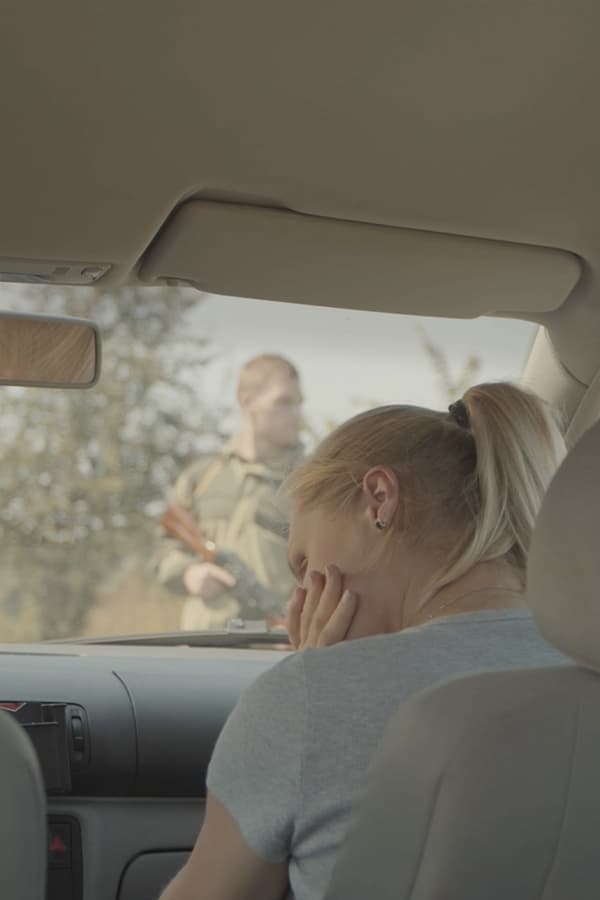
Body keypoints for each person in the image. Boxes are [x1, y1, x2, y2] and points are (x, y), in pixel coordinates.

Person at [160, 382, 568, 900]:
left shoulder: (308, 697)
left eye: (304, 563)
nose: (302, 599)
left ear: (379, 499)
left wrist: (318, 683)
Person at [156, 354, 304, 630]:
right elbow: (165, 551)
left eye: (299, 403)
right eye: (284, 402)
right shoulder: (201, 477)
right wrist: (190, 574)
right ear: (246, 402)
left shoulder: (311, 483)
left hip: (277, 647)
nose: (297, 414)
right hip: (205, 648)